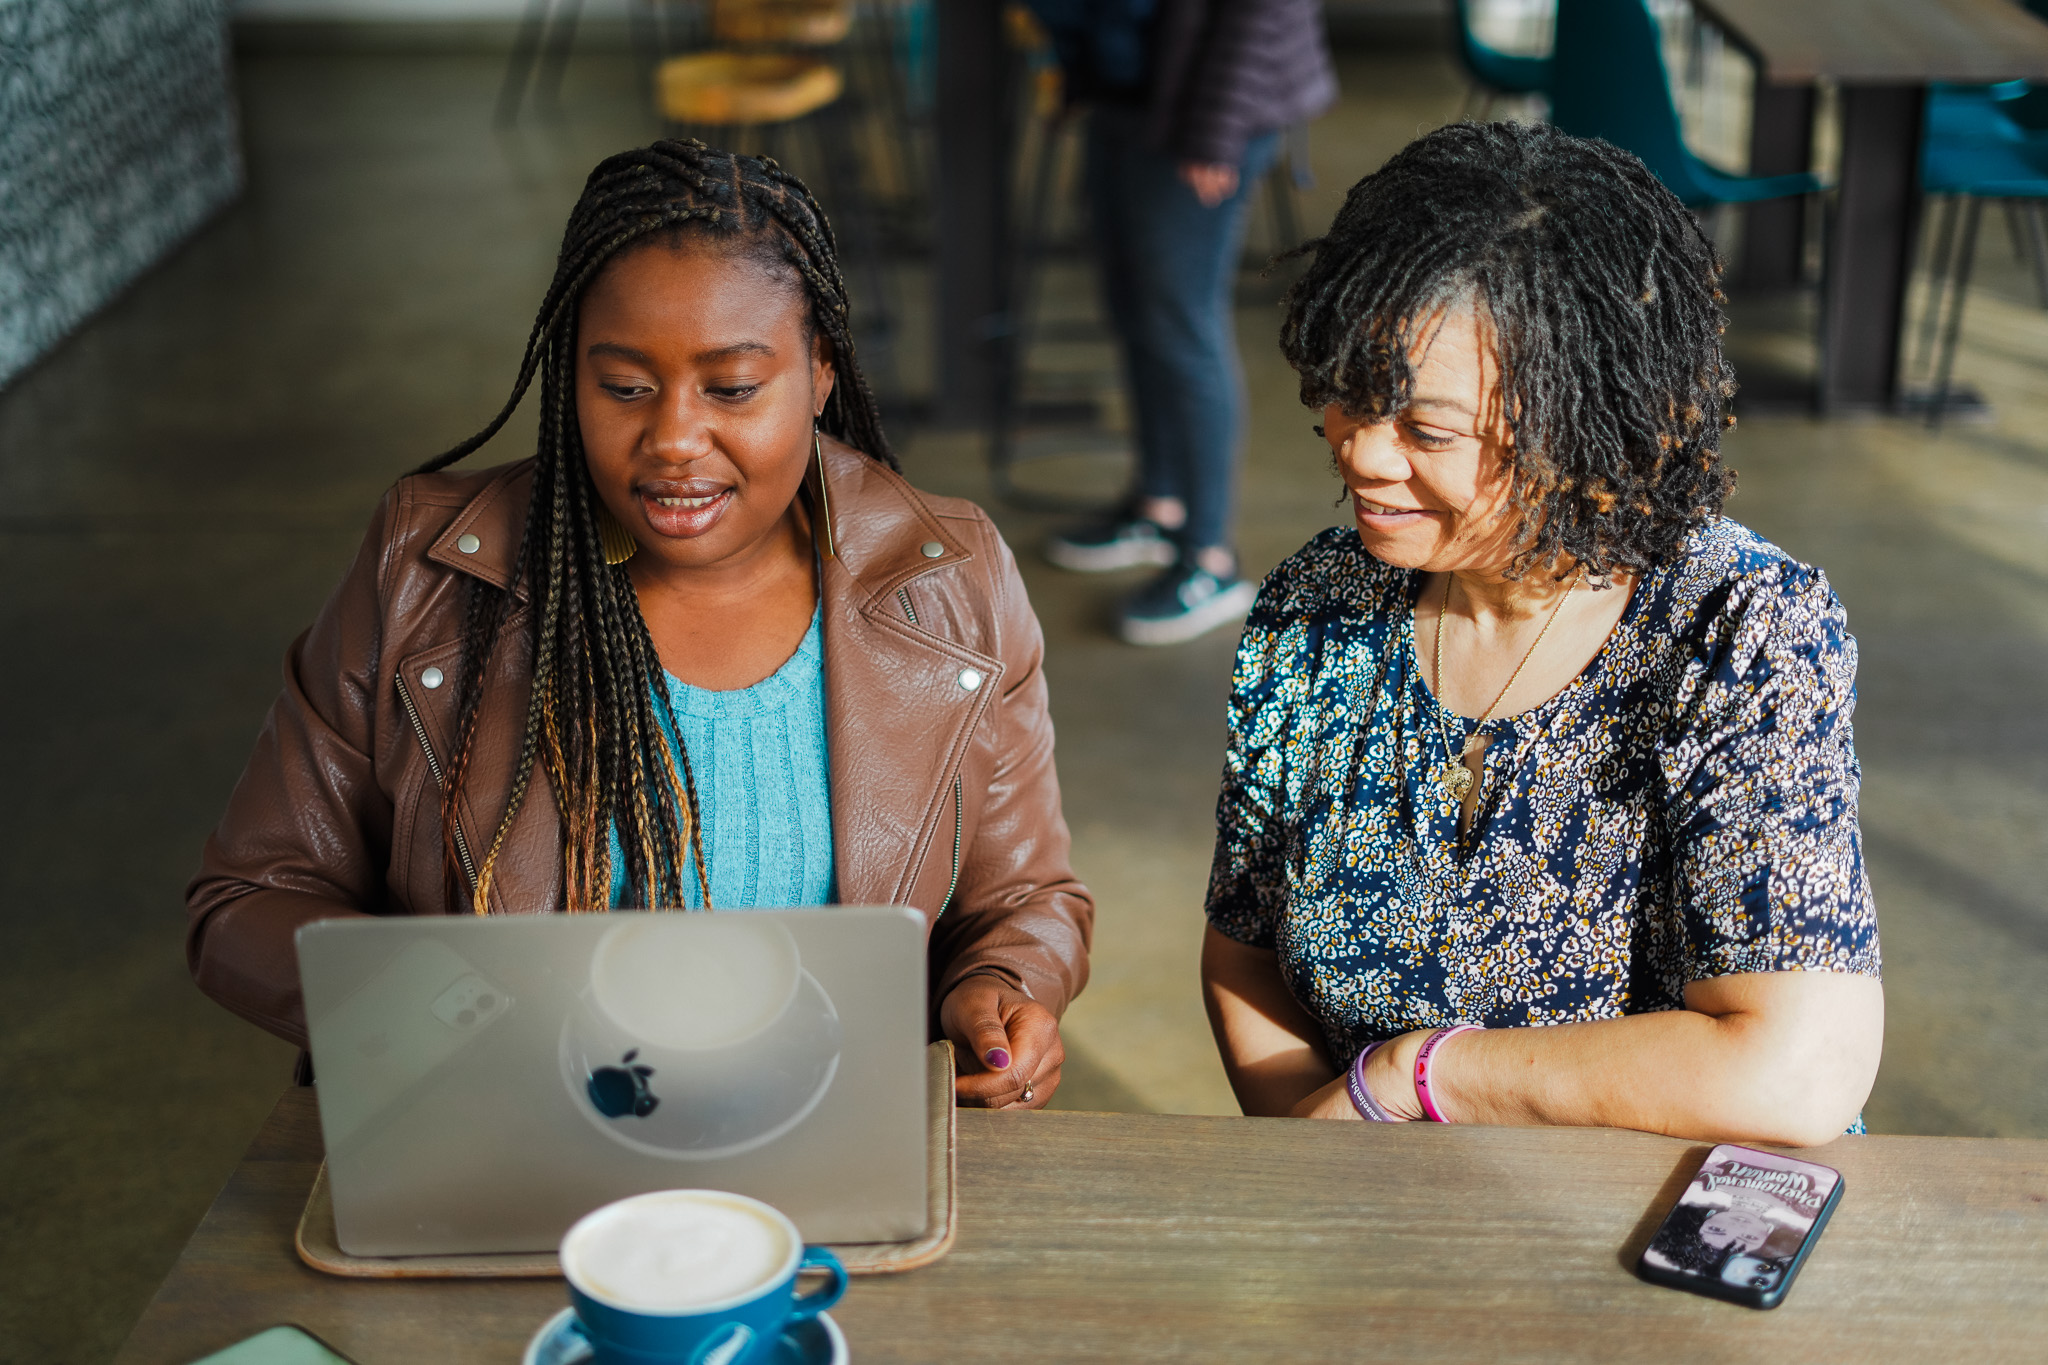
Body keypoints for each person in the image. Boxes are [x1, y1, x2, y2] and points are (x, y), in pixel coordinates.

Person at [186, 142, 1092, 1109]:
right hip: (511, 1139)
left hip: (834, 1136)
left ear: (821, 371)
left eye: (733, 388)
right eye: (623, 386)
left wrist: (998, 992)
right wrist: (448, 1012)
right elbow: (246, 899)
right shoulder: (424, 572)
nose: (671, 440)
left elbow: (1023, 899)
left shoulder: (953, 579)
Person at [1199, 122, 1883, 1144]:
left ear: (1586, 424)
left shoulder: (1735, 627)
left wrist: (1413, 1077)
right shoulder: (1315, 605)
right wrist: (1321, 1168)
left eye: (1426, 431)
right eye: (1343, 396)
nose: (1360, 452)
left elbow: (1792, 1069)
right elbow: (1244, 959)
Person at [1033, 0, 1337, 644]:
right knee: (1133, 307)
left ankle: (1209, 560)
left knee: (1181, 325)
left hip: (1202, 110)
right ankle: (1159, 504)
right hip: (1131, 90)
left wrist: (1217, 129)